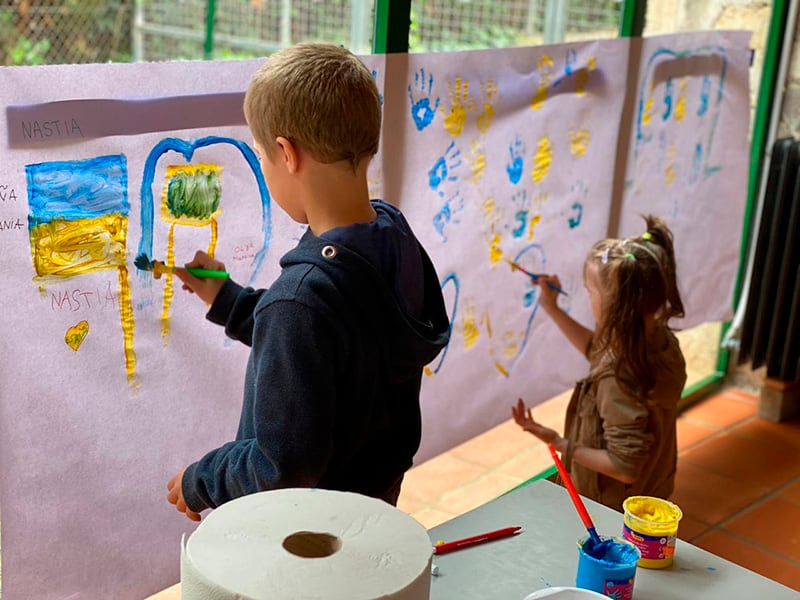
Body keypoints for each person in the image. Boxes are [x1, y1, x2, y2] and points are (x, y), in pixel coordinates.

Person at [166, 43, 451, 521]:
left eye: (261, 155)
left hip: (305, 536)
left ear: (286, 153)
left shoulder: (299, 303)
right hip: (374, 509)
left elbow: (281, 466)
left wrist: (203, 480)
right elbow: (328, 341)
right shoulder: (392, 238)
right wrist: (229, 298)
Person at [512, 215, 687, 511]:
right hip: (651, 492)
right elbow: (599, 350)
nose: (589, 297)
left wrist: (559, 442)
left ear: (618, 306)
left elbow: (624, 466)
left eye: (591, 291)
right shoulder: (659, 341)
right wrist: (552, 309)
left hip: (608, 507)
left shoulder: (616, 376)